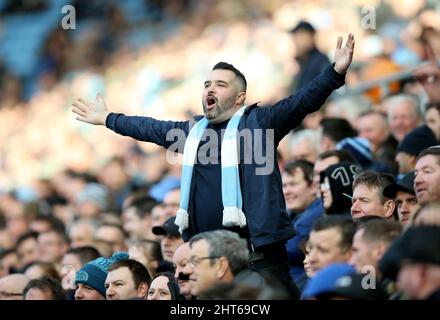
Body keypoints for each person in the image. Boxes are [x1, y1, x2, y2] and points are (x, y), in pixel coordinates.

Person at [72, 34, 355, 299]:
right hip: (207, 262)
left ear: (239, 96)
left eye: (220, 84)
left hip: (259, 257)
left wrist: (334, 73)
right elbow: (149, 127)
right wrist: (108, 118)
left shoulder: (261, 123)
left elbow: (302, 102)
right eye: (207, 84)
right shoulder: (191, 132)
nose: (210, 88)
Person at [288, 20, 331, 92]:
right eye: (295, 37)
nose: (296, 41)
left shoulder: (320, 61)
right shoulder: (302, 61)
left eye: (301, 36)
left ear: (311, 37)